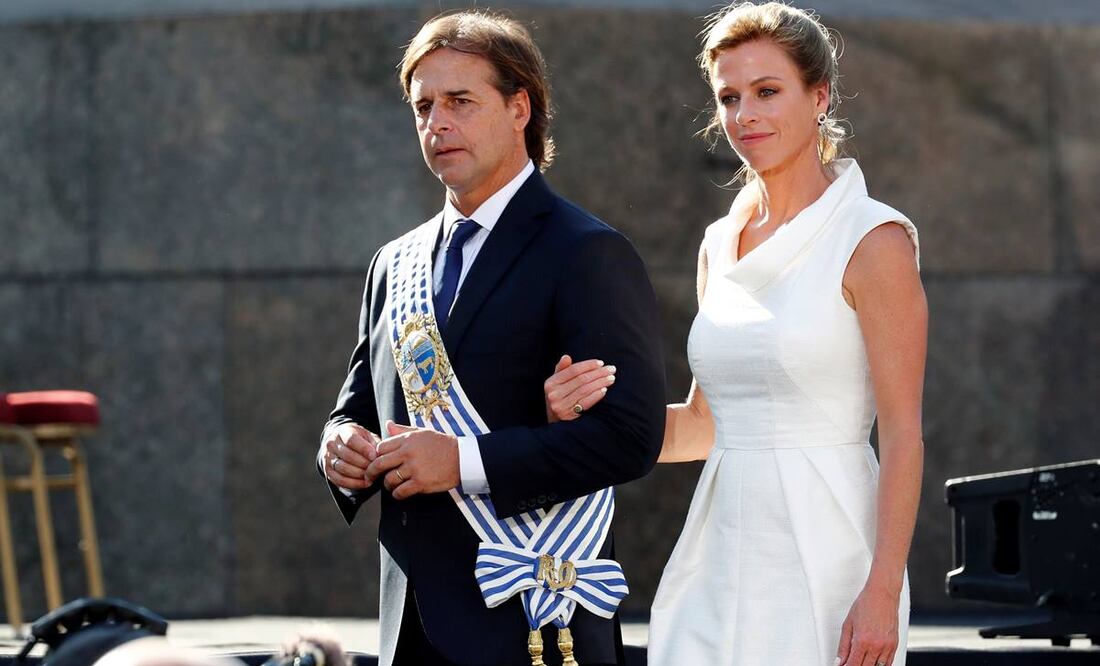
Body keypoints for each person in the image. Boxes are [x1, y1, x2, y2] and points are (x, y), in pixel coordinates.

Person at [543, 3, 926, 665]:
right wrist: (587, 419)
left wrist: (882, 591)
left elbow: (902, 432)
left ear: (819, 96)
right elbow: (703, 424)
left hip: (830, 547)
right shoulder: (719, 244)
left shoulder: (874, 240)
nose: (745, 114)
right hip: (719, 545)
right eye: (729, 97)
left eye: (768, 91)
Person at [317, 10, 666, 666]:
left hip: (533, 621)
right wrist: (340, 450)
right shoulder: (395, 262)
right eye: (423, 106)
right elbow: (358, 407)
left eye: (460, 102)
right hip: (409, 624)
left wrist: (464, 462)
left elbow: (630, 437)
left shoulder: (586, 252)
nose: (437, 123)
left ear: (519, 108)